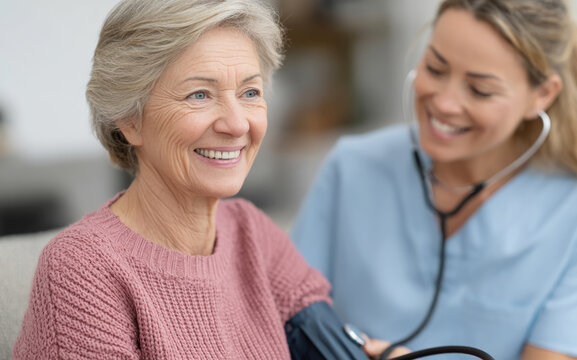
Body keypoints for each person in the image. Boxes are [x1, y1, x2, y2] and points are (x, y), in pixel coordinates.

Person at [12, 1, 371, 359]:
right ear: (129, 119)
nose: (237, 124)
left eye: (250, 93)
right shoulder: (82, 270)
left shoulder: (254, 235)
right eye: (199, 95)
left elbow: (334, 348)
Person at [292, 0, 577, 359]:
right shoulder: (352, 168)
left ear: (542, 95)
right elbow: (282, 320)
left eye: (480, 90)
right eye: (435, 68)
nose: (444, 103)